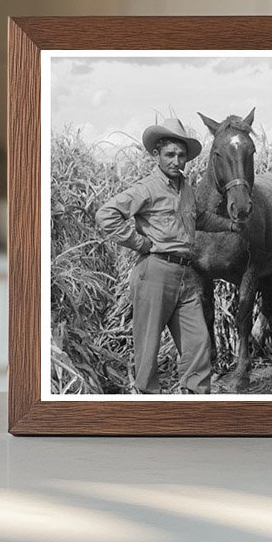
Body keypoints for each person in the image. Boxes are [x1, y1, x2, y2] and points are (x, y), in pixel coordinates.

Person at [96, 118, 239, 394]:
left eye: (181, 155)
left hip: (186, 276)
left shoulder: (185, 188)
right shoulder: (147, 188)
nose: (176, 161)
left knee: (199, 343)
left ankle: (195, 401)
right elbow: (106, 215)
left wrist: (230, 226)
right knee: (148, 347)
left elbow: (201, 218)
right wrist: (140, 243)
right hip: (155, 272)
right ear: (156, 155)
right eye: (170, 155)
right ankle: (149, 406)